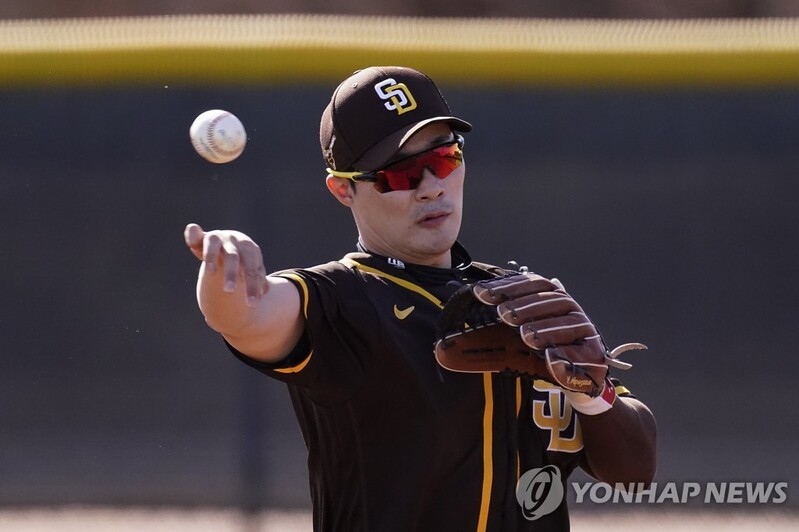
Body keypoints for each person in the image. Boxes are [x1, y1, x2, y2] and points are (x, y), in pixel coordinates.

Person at [184, 66, 657, 531]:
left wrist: (595, 395)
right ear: (343, 189)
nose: (431, 186)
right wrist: (225, 274)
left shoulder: (527, 304)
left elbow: (635, 475)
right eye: (400, 173)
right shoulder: (344, 301)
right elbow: (250, 315)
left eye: (445, 158)